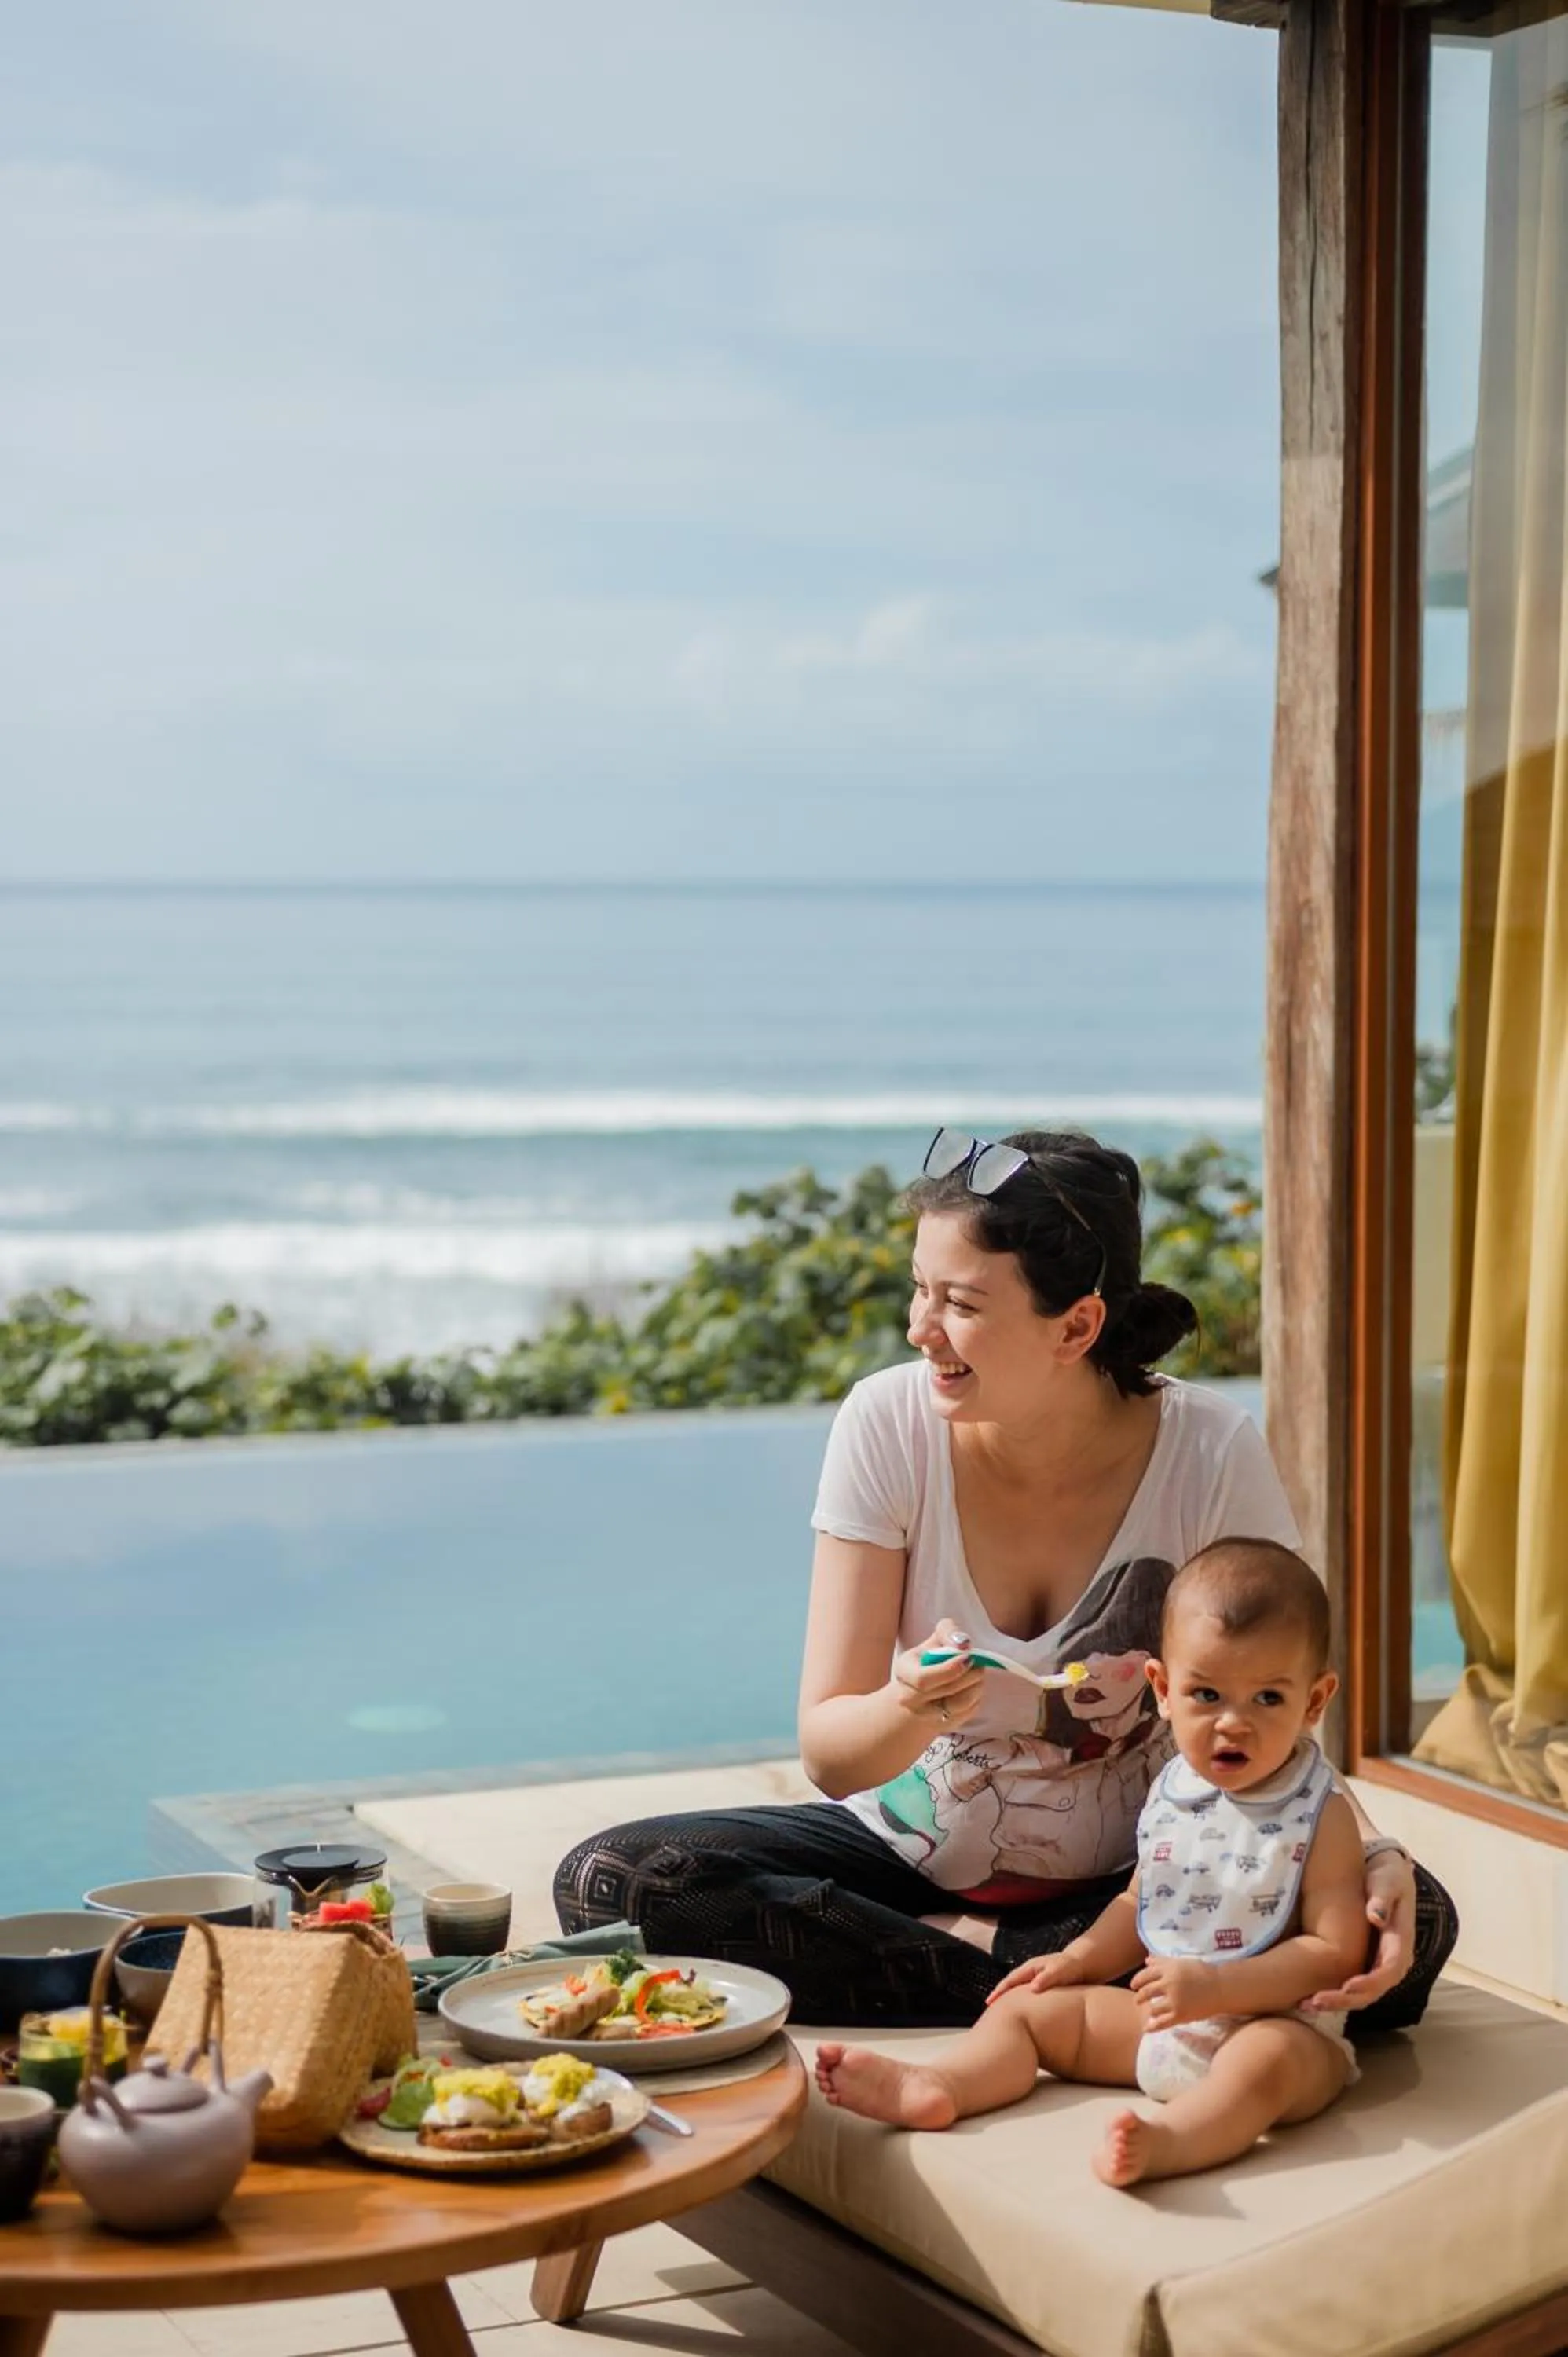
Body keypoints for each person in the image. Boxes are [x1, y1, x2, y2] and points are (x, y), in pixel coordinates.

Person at [554, 1127, 1457, 2031]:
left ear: (1076, 1325)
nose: (919, 1329)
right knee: (617, 1883)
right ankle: (1055, 1990)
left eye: (959, 1303)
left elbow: (1273, 1704)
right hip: (911, 1862)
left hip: (1139, 1874)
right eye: (919, 1290)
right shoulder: (886, 1423)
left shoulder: (1210, 1451)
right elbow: (831, 1754)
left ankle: (1024, 1980)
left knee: (1411, 1920)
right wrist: (911, 1706)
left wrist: (1361, 1848)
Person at [815, 1538, 1367, 2187]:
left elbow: (1335, 1955)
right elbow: (1139, 1905)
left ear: (1315, 1700)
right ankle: (942, 2084)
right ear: (1162, 1689)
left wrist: (1218, 1991)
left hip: (1281, 2025)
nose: (1232, 1724)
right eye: (1207, 1694)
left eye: (1268, 1699)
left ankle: (1172, 2141)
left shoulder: (1318, 1813)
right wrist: (1077, 1962)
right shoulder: (1173, 1793)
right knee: (1029, 2012)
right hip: (1164, 2023)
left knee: (1263, 2064)